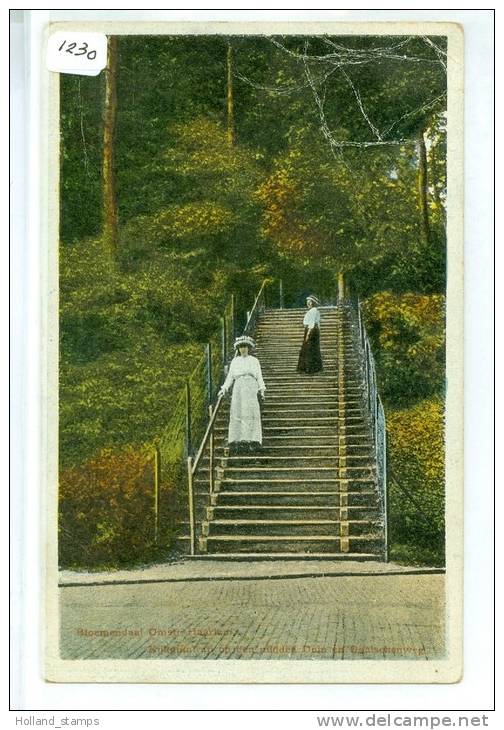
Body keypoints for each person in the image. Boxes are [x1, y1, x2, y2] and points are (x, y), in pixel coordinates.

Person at [218, 335, 266, 454]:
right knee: (238, 412)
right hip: (238, 387)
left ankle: (253, 440)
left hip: (251, 386)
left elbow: (259, 376)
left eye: (245, 347)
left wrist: (262, 389)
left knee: (250, 412)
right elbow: (230, 377)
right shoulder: (235, 361)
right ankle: (237, 439)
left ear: (249, 348)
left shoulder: (254, 361)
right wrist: (224, 388)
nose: (243, 349)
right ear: (238, 349)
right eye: (240, 347)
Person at [297, 295, 323, 374]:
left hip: (311, 331)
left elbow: (312, 324)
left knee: (309, 349)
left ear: (313, 303)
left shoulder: (313, 311)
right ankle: (312, 368)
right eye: (307, 302)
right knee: (311, 349)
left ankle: (310, 368)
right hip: (313, 331)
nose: (308, 303)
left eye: (310, 302)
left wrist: (308, 335)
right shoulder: (314, 311)